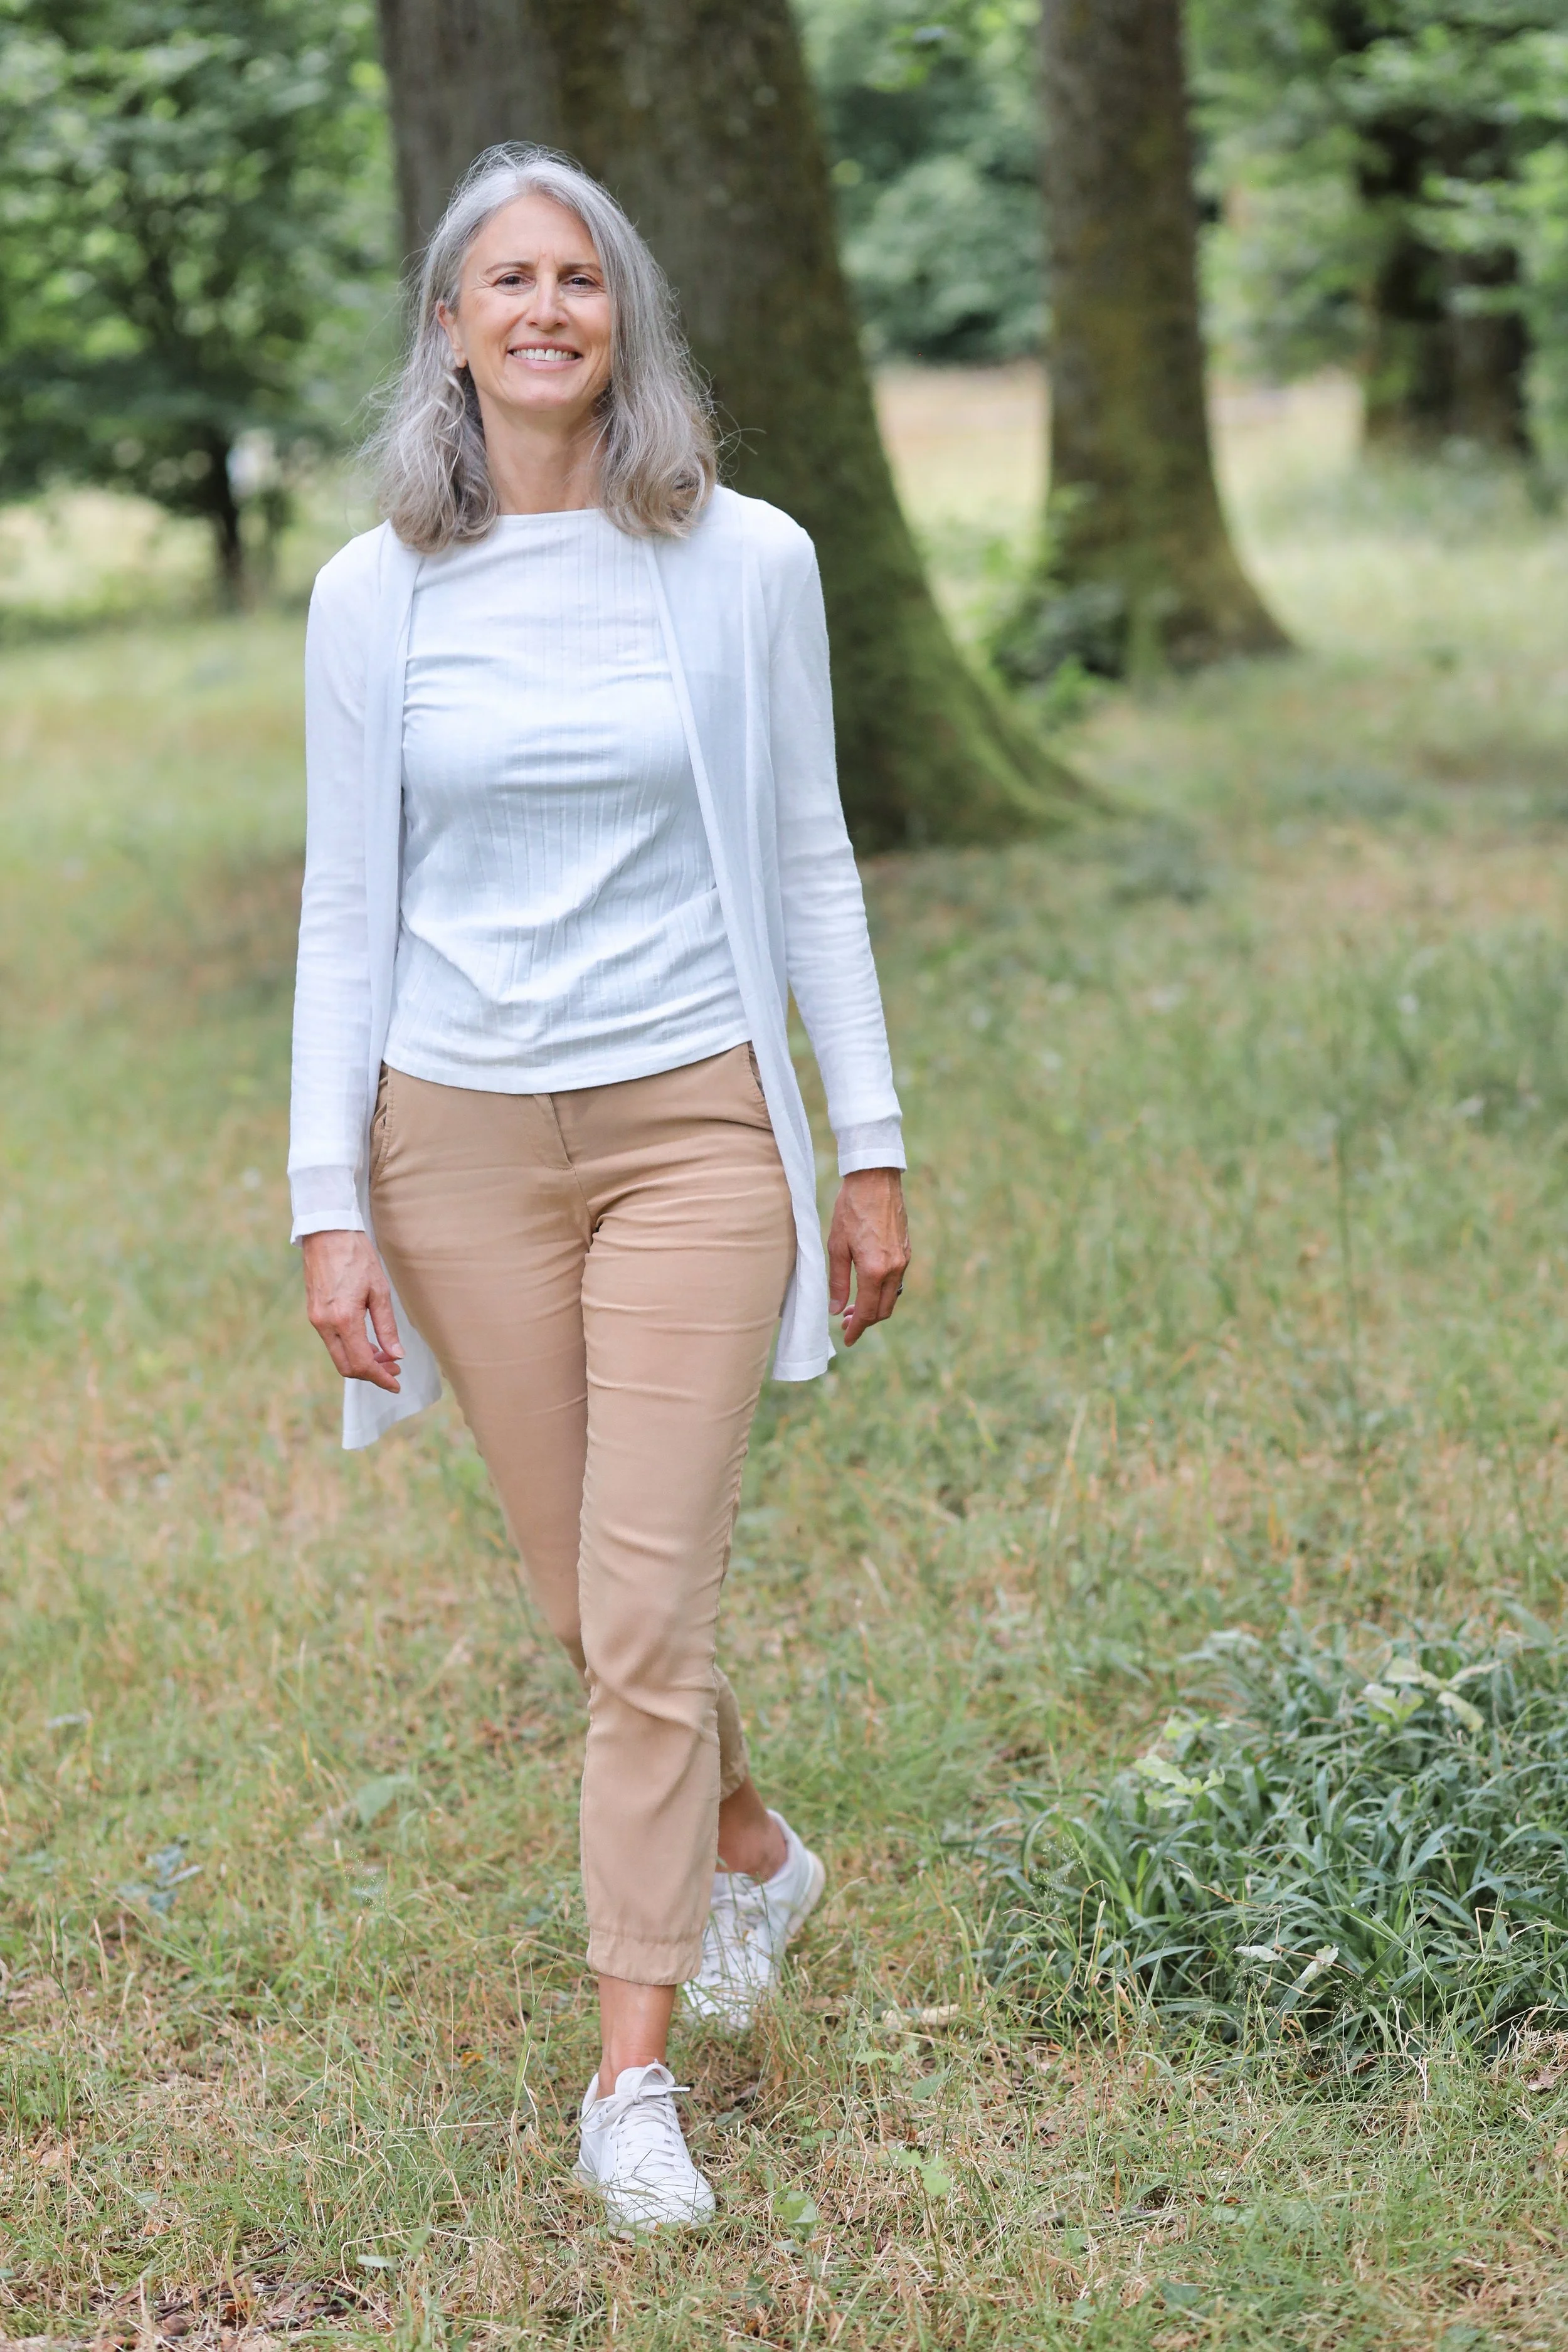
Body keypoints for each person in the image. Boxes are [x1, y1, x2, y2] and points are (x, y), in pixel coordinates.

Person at [287, 144, 909, 2235]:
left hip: (692, 1131)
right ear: (448, 327)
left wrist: (871, 1139)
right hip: (451, 1138)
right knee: (584, 1604)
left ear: (620, 316)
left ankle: (627, 2085)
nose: (545, 308)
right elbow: (343, 901)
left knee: (645, 1615)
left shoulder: (742, 561)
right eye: (503, 280)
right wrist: (324, 1193)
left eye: (580, 277)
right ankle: (750, 1848)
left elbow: (810, 855)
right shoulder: (373, 594)